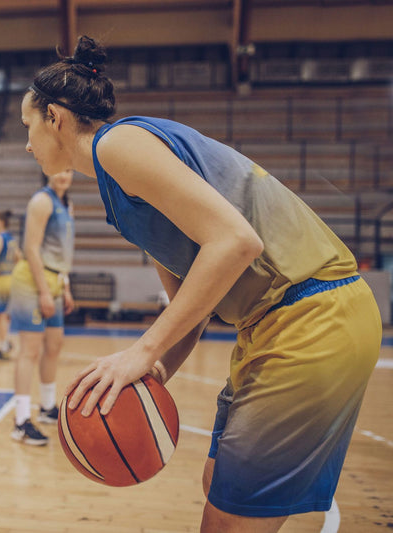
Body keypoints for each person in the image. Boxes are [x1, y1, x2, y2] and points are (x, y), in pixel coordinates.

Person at [21, 36, 381, 532]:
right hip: (276, 324)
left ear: (55, 118)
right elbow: (190, 308)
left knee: (227, 524)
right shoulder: (121, 193)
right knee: (216, 482)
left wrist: (142, 351)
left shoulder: (117, 145)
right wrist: (152, 376)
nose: (27, 143)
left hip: (312, 315)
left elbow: (237, 242)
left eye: (29, 126)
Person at [9, 170, 75, 446]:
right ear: (47, 171)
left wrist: (65, 286)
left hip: (55, 281)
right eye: (58, 169)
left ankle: (48, 408)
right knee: (30, 351)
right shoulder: (41, 201)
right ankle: (21, 422)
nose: (64, 175)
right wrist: (45, 292)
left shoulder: (67, 204)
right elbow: (31, 249)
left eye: (69, 169)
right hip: (32, 283)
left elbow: (63, 250)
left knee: (54, 345)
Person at [0, 209, 21, 360]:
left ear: (0, 222)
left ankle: (4, 345)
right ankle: (5, 342)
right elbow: (19, 257)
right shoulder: (11, 238)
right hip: (10, 278)